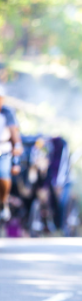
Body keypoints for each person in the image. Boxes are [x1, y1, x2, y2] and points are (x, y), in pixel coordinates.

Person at [0, 85, 23, 221]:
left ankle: (3, 202)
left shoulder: (7, 113)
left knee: (3, 174)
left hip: (4, 150)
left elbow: (15, 135)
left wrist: (16, 160)